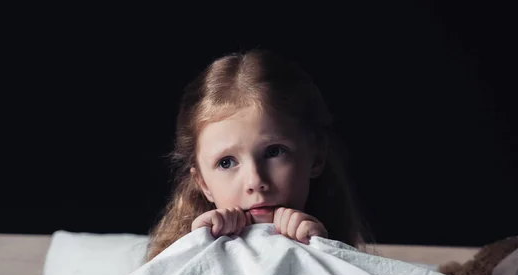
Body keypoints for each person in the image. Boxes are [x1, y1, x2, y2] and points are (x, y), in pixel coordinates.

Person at [146, 49, 373, 262]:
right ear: (203, 183)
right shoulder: (188, 250)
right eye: (226, 162)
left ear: (316, 157)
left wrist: (323, 251)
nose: (256, 181)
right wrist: (195, 249)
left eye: (274, 152)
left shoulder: (328, 245)